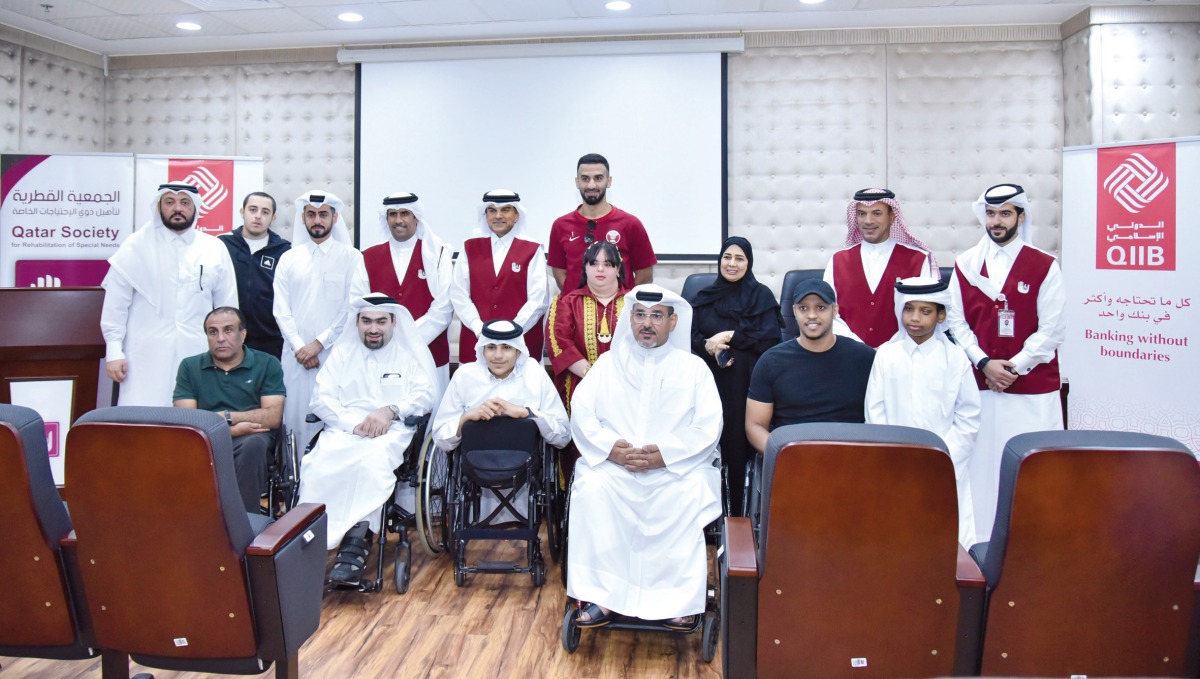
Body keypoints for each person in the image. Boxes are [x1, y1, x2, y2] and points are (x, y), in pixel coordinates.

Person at [566, 285, 722, 630]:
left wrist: (665, 456)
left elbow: (709, 425)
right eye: (639, 315)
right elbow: (582, 411)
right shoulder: (607, 364)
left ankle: (676, 602)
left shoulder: (694, 369)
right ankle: (602, 597)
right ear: (630, 319)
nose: (646, 323)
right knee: (591, 489)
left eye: (656, 316)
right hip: (615, 469)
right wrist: (611, 449)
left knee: (688, 494)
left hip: (675, 471)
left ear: (673, 321)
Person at [946, 183, 1064, 543]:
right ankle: (975, 544)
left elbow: (1053, 329)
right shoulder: (966, 264)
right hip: (979, 386)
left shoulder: (1045, 265)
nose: (996, 221)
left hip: (1030, 391)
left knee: (1031, 469)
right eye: (991, 213)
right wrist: (984, 363)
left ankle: (1034, 544)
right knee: (979, 469)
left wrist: (1012, 367)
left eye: (1005, 214)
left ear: (1021, 216)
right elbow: (956, 322)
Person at [297, 293, 436, 586]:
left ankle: (356, 544)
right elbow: (321, 400)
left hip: (390, 433)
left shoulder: (408, 355)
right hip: (343, 431)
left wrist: (391, 410)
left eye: (381, 321)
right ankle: (312, 546)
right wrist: (353, 424)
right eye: (367, 321)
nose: (373, 328)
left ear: (393, 322)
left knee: (371, 465)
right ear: (357, 323)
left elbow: (423, 397)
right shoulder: (342, 354)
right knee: (316, 466)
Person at [865, 277, 980, 547]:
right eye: (909, 309)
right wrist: (894, 456)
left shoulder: (956, 358)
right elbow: (875, 412)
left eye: (925, 311)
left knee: (943, 541)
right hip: (894, 464)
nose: (914, 318)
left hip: (944, 466)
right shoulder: (886, 356)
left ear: (941, 316)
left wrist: (942, 461)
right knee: (893, 539)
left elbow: (968, 418)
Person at [101, 182, 238, 406]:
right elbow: (116, 305)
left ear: (195, 208)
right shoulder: (135, 246)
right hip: (145, 355)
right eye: (170, 202)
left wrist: (230, 352)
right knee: (145, 417)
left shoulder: (214, 248)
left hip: (197, 352)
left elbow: (228, 307)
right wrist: (114, 350)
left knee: (194, 420)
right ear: (159, 206)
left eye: (185, 202)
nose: (177, 208)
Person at [691, 237, 781, 516]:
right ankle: (704, 511)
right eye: (727, 257)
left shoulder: (761, 296)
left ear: (749, 263)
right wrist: (707, 344)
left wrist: (731, 336)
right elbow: (687, 337)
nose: (732, 263)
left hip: (746, 387)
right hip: (708, 382)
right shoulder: (704, 297)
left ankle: (738, 513)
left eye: (739, 258)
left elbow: (770, 340)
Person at [272, 190, 367, 447]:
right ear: (302, 218)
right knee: (295, 421)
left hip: (337, 354)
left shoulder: (352, 258)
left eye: (323, 214)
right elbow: (281, 310)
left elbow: (353, 308)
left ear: (334, 218)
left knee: (337, 423)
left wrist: (319, 344)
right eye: (311, 214)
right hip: (295, 358)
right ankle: (295, 483)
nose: (317, 220)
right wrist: (299, 347)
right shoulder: (288, 259)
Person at [173, 307, 285, 514]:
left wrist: (223, 417)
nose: (220, 338)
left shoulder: (267, 363)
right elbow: (187, 420)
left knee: (254, 444)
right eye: (213, 332)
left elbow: (272, 417)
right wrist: (232, 429)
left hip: (251, 439)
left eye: (228, 330)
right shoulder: (190, 366)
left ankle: (244, 521)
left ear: (243, 334)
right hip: (204, 440)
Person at [746, 279, 876, 453]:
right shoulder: (771, 362)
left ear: (835, 311)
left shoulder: (865, 358)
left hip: (851, 461)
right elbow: (755, 426)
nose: (812, 315)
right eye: (803, 308)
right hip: (793, 462)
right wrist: (783, 455)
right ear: (794, 312)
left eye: (821, 307)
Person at [354, 192, 453, 398]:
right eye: (392, 214)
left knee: (431, 420)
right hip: (381, 352)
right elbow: (358, 303)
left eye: (405, 213)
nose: (398, 220)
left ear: (416, 217)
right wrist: (389, 339)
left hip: (429, 351)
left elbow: (442, 310)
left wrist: (404, 340)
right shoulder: (367, 256)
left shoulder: (439, 253)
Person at [823, 188, 939, 348]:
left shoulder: (918, 259)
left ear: (892, 217)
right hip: (850, 354)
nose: (868, 221)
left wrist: (887, 349)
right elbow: (829, 312)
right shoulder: (838, 260)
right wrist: (859, 348)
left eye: (877, 213)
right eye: (862, 214)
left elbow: (927, 313)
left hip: (903, 354)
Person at [432, 319, 570, 452]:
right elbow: (440, 440)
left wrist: (528, 413)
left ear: (518, 351)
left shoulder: (535, 374)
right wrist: (467, 418)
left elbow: (563, 438)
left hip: (527, 471)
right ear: (483, 350)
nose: (498, 356)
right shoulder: (464, 376)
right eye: (491, 347)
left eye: (507, 347)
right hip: (472, 470)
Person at [450, 189, 548, 363]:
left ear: (517, 215)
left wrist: (511, 331)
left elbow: (538, 301)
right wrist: (479, 328)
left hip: (520, 341)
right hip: (477, 339)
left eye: (505, 210)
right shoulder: (469, 247)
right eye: (492, 210)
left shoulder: (532, 249)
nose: (498, 215)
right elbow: (459, 295)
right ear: (485, 214)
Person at [547, 153, 657, 292]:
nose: (591, 185)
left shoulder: (631, 224)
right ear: (577, 182)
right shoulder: (560, 226)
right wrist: (577, 303)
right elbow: (560, 275)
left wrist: (621, 300)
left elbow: (645, 276)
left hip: (617, 312)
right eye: (585, 179)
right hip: (574, 311)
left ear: (609, 181)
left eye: (598, 178)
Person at [546, 240, 628, 411]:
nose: (600, 269)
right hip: (580, 383)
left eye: (607, 264)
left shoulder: (634, 304)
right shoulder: (566, 302)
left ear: (618, 269)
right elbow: (561, 345)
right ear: (585, 268)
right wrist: (593, 377)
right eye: (594, 263)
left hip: (628, 385)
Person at [219, 192, 291, 358]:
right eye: (253, 209)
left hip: (270, 341)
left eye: (265, 212)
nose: (258, 216)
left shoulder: (285, 251)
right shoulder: (221, 245)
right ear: (242, 212)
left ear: (273, 218)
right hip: (228, 338)